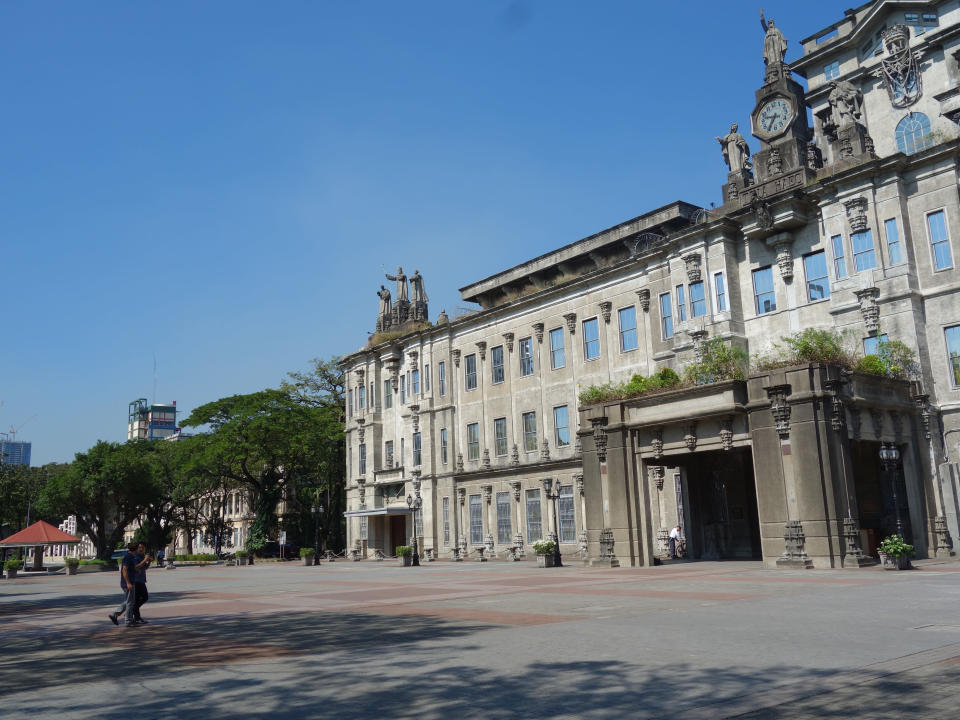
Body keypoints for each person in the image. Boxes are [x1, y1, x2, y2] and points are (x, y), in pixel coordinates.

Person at [108, 541, 140, 627]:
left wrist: (136, 570)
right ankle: (128, 620)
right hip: (127, 583)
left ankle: (115, 615)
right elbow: (124, 570)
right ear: (135, 549)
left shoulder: (131, 557)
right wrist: (128, 582)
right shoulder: (128, 557)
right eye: (138, 548)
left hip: (131, 581)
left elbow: (130, 568)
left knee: (130, 601)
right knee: (130, 602)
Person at [132, 543, 152, 624]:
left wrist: (149, 561)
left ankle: (132, 612)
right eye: (140, 547)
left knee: (144, 598)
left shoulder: (141, 556)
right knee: (138, 599)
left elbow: (145, 567)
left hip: (141, 580)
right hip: (136, 581)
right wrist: (145, 559)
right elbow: (136, 567)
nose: (141, 549)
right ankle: (136, 617)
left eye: (143, 547)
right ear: (137, 548)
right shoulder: (135, 556)